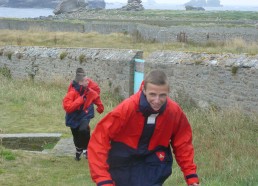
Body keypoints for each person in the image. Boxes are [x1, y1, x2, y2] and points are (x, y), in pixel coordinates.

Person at [87, 69, 199, 186]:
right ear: (144, 90)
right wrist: (103, 179)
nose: (157, 100)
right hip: (122, 164)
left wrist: (190, 175)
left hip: (153, 165)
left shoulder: (174, 111)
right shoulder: (127, 108)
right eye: (152, 94)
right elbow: (99, 139)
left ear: (168, 92)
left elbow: (183, 143)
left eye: (162, 95)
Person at [62, 68, 104, 161]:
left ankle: (86, 149)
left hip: (85, 112)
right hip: (72, 116)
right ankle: (79, 149)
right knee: (76, 134)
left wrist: (99, 107)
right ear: (80, 82)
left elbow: (95, 94)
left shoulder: (89, 89)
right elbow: (68, 108)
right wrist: (81, 100)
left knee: (83, 129)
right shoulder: (72, 92)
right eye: (86, 81)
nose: (88, 82)